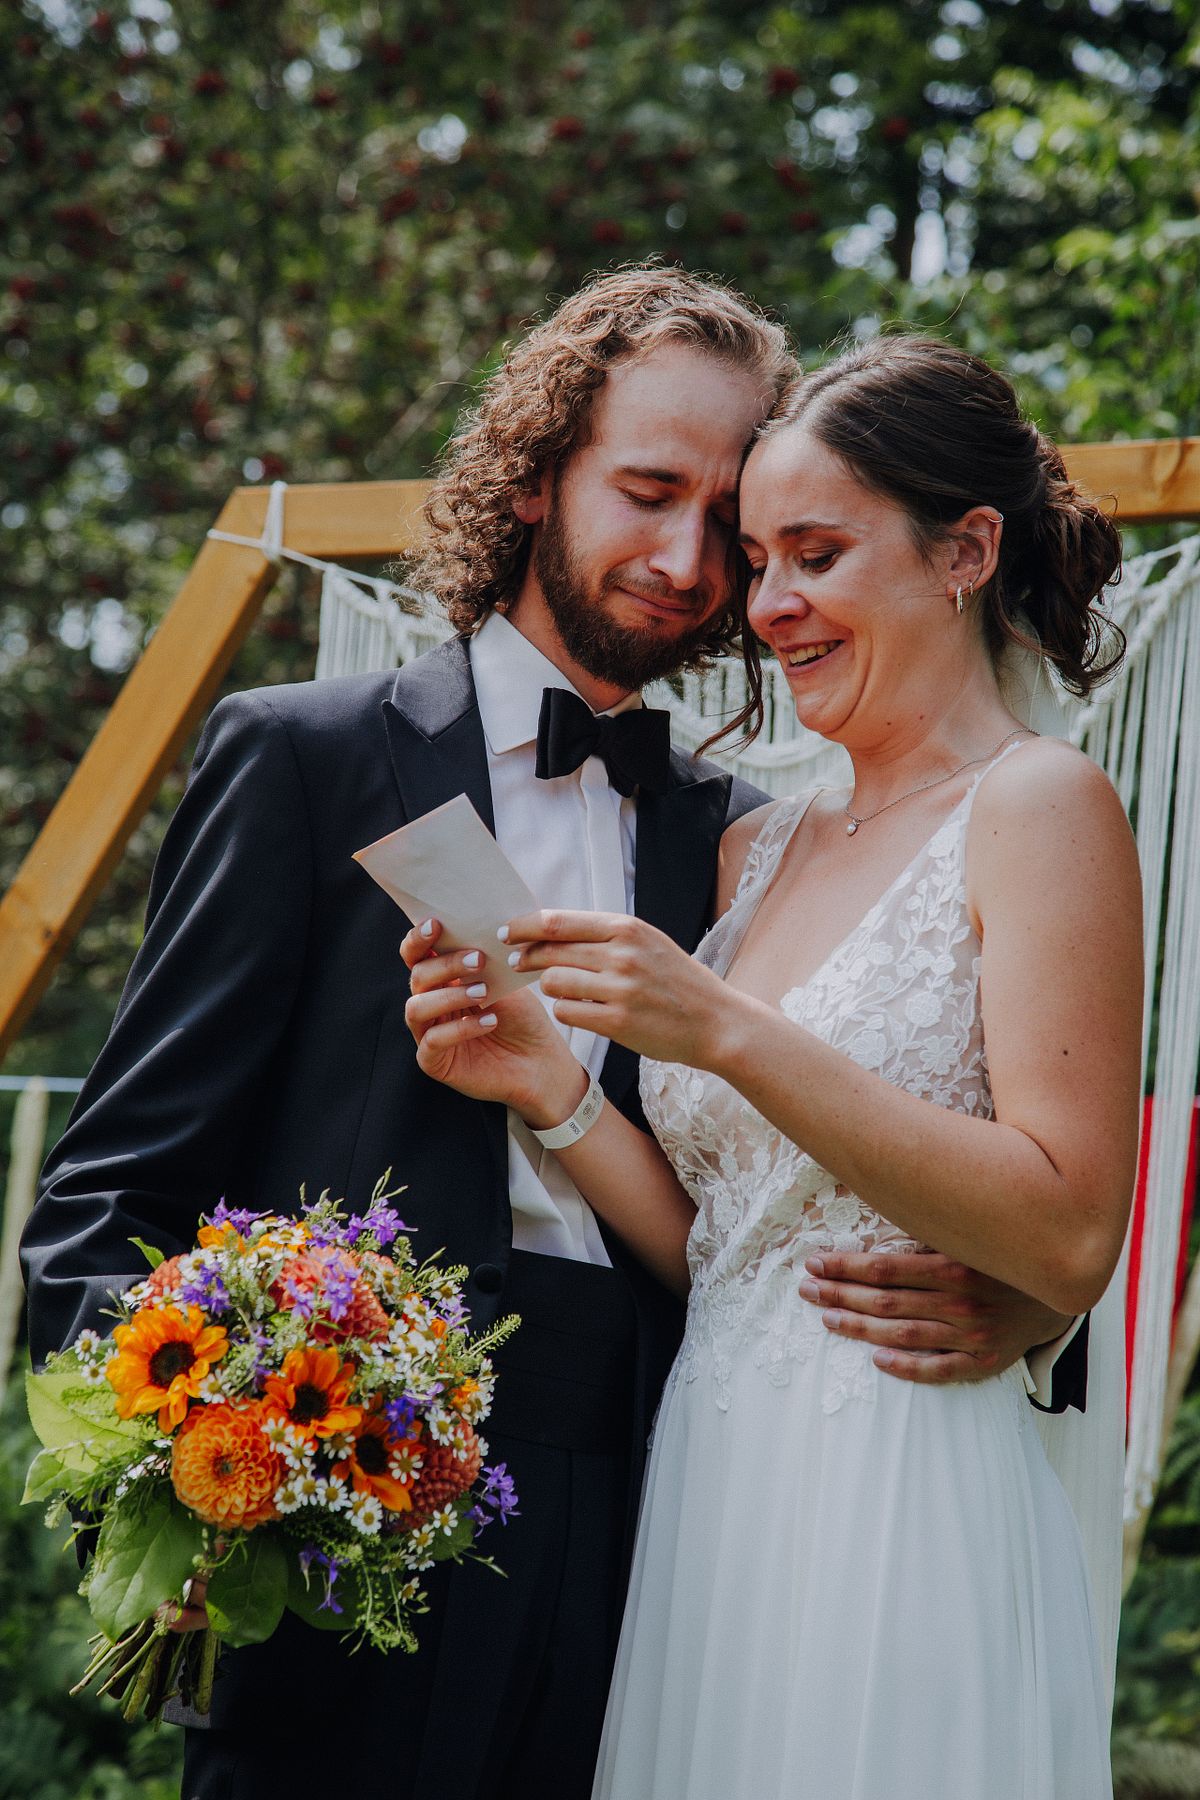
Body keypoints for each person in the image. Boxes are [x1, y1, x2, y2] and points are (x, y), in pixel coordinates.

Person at [22, 276, 1084, 1800]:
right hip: (339, 1529)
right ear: (532, 476)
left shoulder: (748, 844)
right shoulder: (305, 759)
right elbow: (99, 1205)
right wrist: (181, 1476)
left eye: (729, 523)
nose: (684, 561)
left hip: (671, 1532)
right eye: (647, 490)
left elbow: (872, 1162)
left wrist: (1023, 1313)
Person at [402, 335, 1142, 1798]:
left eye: (817, 551)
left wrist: (730, 1032)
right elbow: (724, 1247)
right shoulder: (758, 844)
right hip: (713, 1493)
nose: (770, 604)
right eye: (760, 557)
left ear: (965, 551)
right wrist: (547, 1084)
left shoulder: (1042, 808)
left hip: (900, 1493)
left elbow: (1069, 1231)